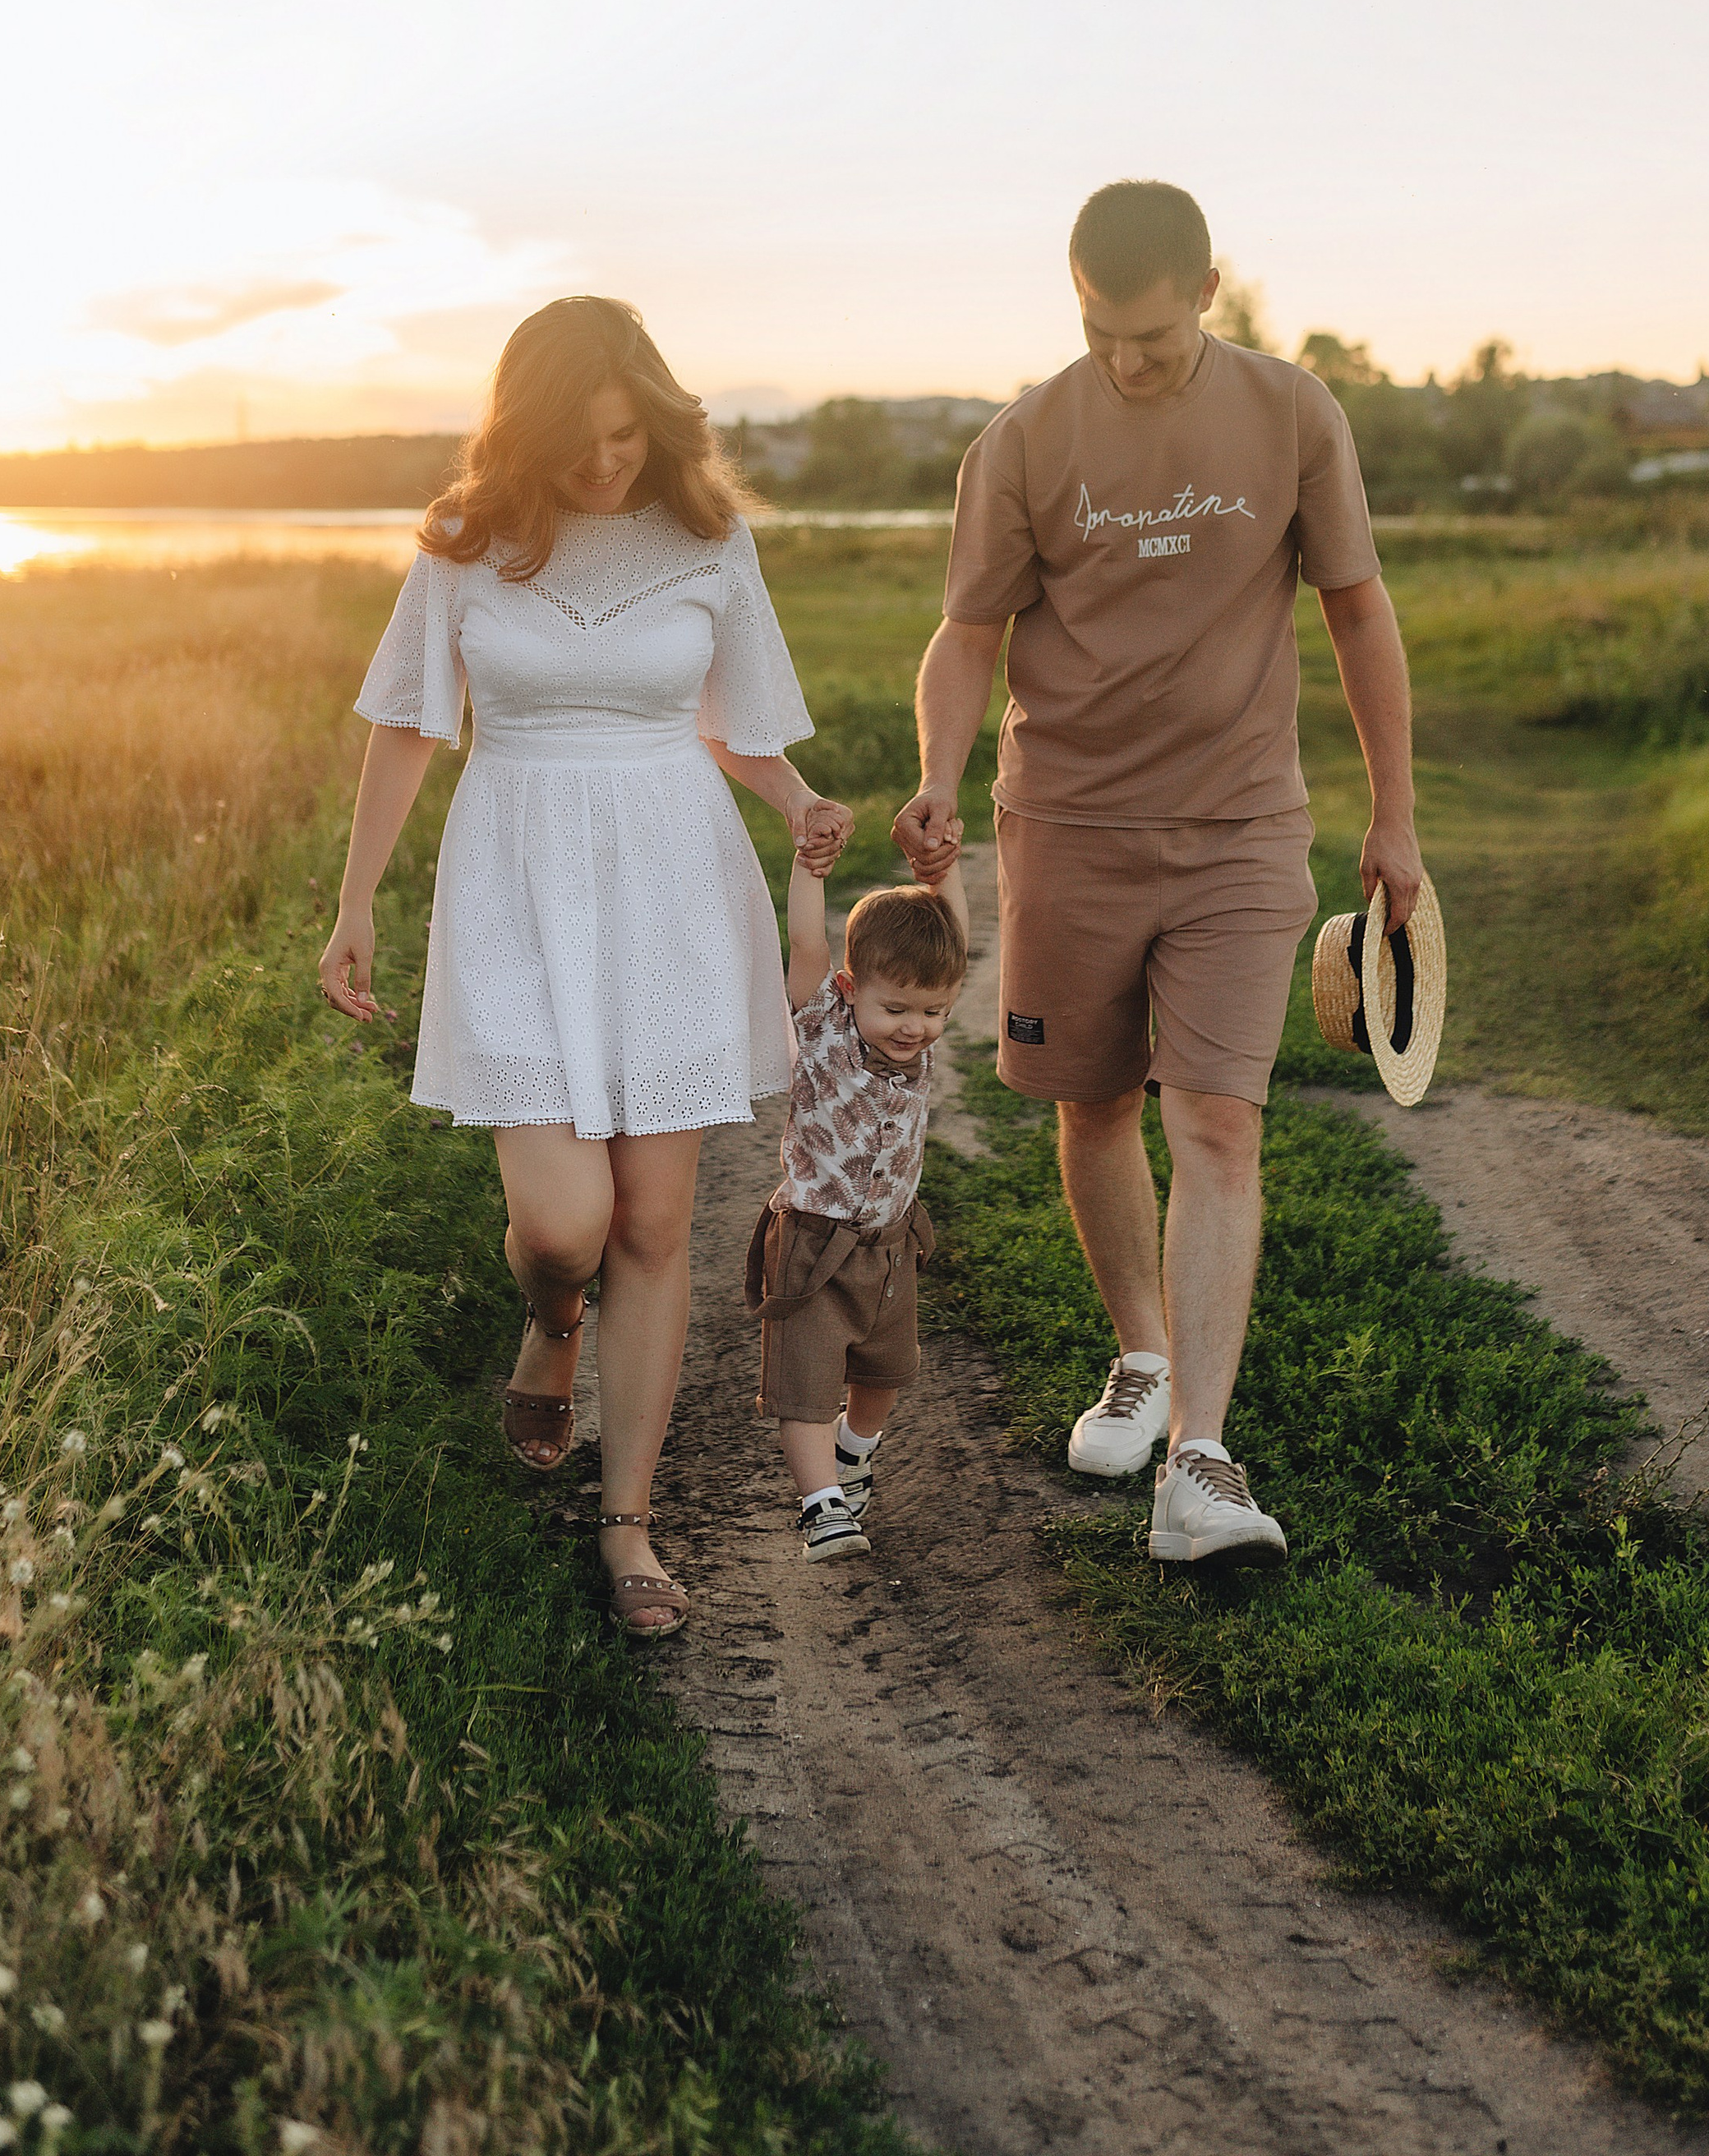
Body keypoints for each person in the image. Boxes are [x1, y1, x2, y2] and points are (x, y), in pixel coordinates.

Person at [895, 179, 1421, 1568]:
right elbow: (967, 634)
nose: (1129, 360)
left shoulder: (1295, 413)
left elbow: (1359, 608)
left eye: (1153, 336)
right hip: (1067, 820)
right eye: (1100, 330)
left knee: (1221, 1121)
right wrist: (940, 771)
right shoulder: (1023, 441)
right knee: (1093, 1102)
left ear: (1206, 289)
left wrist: (1396, 815)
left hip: (1243, 824)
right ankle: (1139, 1353)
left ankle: (1198, 1455)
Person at [319, 296, 852, 1640]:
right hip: (516, 888)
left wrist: (798, 805)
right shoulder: (463, 543)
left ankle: (628, 1524)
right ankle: (550, 1313)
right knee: (564, 1223)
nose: (609, 462)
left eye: (629, 434)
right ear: (527, 433)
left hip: (673, 882)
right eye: (582, 441)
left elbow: (735, 728)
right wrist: (357, 901)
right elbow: (404, 727)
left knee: (655, 1225)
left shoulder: (710, 540)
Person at [746, 862, 968, 1564]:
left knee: (885, 1373)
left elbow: (953, 937)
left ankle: (854, 1455)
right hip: (815, 1246)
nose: (916, 1029)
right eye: (896, 1010)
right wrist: (808, 864)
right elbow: (807, 943)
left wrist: (946, 868)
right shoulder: (824, 1029)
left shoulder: (915, 1043)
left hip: (890, 1246)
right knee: (805, 1384)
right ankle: (821, 1509)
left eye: (934, 1012)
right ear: (849, 990)